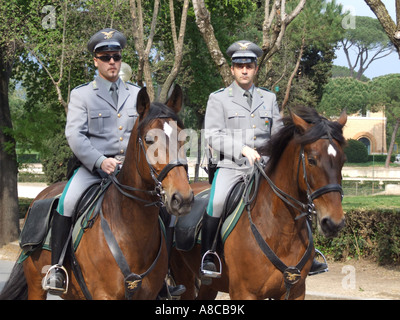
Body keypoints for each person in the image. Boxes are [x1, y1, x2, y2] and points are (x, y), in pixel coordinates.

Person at [201, 40, 328, 282]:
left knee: (299, 197)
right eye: (239, 66)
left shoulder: (268, 98)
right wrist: (243, 149)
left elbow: (278, 134)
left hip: (266, 167)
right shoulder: (218, 99)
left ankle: (309, 254)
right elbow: (213, 135)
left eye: (249, 65)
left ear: (256, 68)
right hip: (232, 166)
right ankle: (209, 255)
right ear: (232, 69)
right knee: (216, 202)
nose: (245, 70)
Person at [43, 28, 141, 294]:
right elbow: (74, 135)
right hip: (94, 170)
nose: (112, 62)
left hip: (129, 171)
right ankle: (57, 269)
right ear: (96, 61)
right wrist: (100, 161)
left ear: (121, 59)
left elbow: (145, 133)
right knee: (67, 202)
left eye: (116, 56)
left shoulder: (136, 93)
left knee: (159, 205)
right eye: (106, 57)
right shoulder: (82, 94)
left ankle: (166, 272)